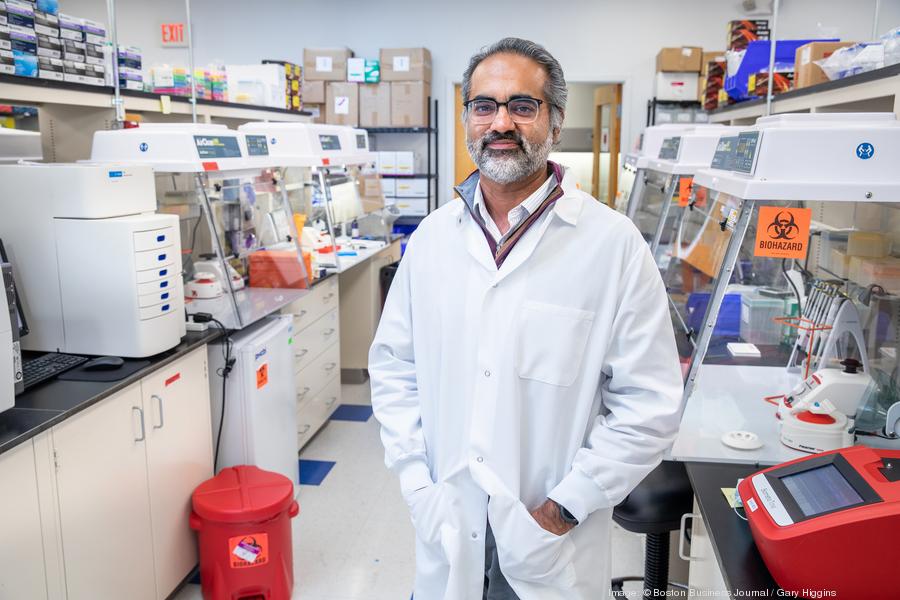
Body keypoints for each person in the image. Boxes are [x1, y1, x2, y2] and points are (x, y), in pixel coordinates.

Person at [369, 37, 684, 600]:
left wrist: (564, 509)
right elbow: (395, 369)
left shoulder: (612, 245)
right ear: (467, 119)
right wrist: (417, 485)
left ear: (555, 122)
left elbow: (649, 406)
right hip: (446, 521)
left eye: (522, 106)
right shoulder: (433, 239)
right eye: (483, 106)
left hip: (549, 542)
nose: (500, 123)